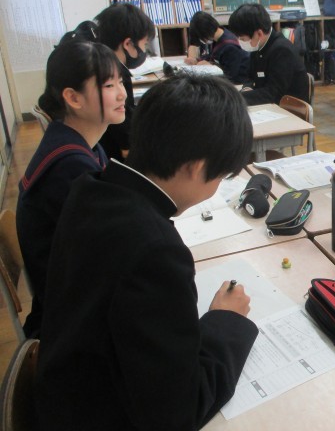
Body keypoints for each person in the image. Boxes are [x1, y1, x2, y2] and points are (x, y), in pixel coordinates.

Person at [36, 73, 258, 430]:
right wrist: (226, 321)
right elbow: (177, 413)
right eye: (220, 176)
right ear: (197, 167)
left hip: (65, 392)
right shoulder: (155, 253)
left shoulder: (91, 188)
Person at [16, 41, 126, 338]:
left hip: (73, 300)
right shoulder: (70, 166)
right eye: (109, 85)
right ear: (73, 98)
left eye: (120, 81)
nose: (122, 93)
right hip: (72, 324)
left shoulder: (78, 143)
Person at [94, 3, 155, 161]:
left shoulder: (98, 64)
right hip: (114, 155)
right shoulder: (115, 72)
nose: (144, 50)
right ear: (128, 44)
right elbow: (122, 129)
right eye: (144, 44)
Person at [228, 3, 309, 105]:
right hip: (269, 105)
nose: (240, 42)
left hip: (288, 109)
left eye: (243, 39)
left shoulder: (282, 50)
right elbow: (249, 77)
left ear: (259, 33)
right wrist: (247, 88)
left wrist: (237, 98)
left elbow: (273, 94)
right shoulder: (258, 45)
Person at [185, 11, 249, 83]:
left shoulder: (230, 46)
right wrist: (197, 60)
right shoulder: (219, 35)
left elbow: (231, 75)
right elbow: (213, 56)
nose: (202, 40)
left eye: (201, 37)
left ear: (205, 32)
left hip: (237, 82)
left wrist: (212, 67)